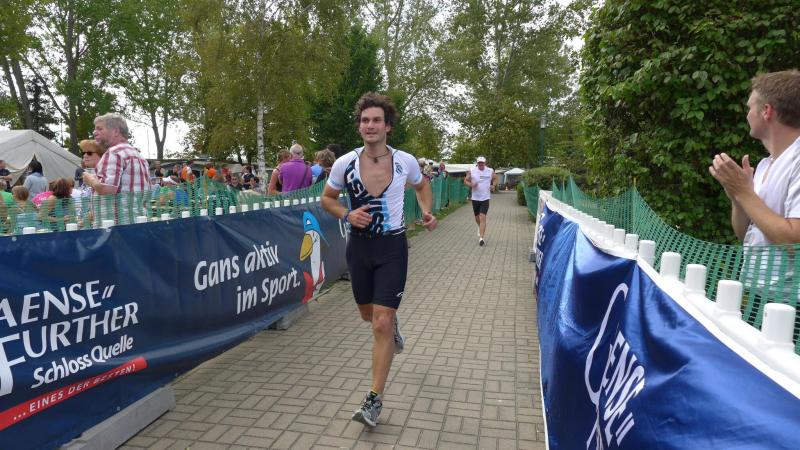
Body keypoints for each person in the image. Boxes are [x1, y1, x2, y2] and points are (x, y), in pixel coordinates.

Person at [322, 92, 437, 428]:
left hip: (392, 247)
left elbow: (422, 186)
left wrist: (427, 212)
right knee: (368, 315)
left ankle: (374, 399)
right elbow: (327, 199)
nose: (369, 125)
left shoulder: (405, 161)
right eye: (364, 120)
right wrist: (346, 214)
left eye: (376, 120)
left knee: (381, 323)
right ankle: (391, 324)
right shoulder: (345, 163)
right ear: (359, 126)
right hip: (359, 248)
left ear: (388, 126)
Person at [710, 70, 800, 246]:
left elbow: (795, 243)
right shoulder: (765, 165)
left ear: (766, 111)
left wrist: (744, 193)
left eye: (750, 108)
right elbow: (747, 235)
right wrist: (737, 198)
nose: (747, 115)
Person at [83, 113, 151, 223]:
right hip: (137, 222)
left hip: (115, 226)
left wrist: (90, 179)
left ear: (115, 131)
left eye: (100, 129)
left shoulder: (114, 153)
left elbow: (107, 190)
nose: (94, 132)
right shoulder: (140, 157)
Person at [464, 156, 498, 246]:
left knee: (482, 217)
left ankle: (481, 238)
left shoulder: (490, 171)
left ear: (485, 163)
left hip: (485, 198)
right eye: (479, 163)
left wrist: (493, 185)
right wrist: (471, 184)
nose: (481, 164)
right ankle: (480, 227)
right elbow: (466, 180)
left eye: (482, 163)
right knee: (477, 218)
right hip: (475, 198)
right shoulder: (472, 170)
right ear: (477, 163)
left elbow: (495, 178)